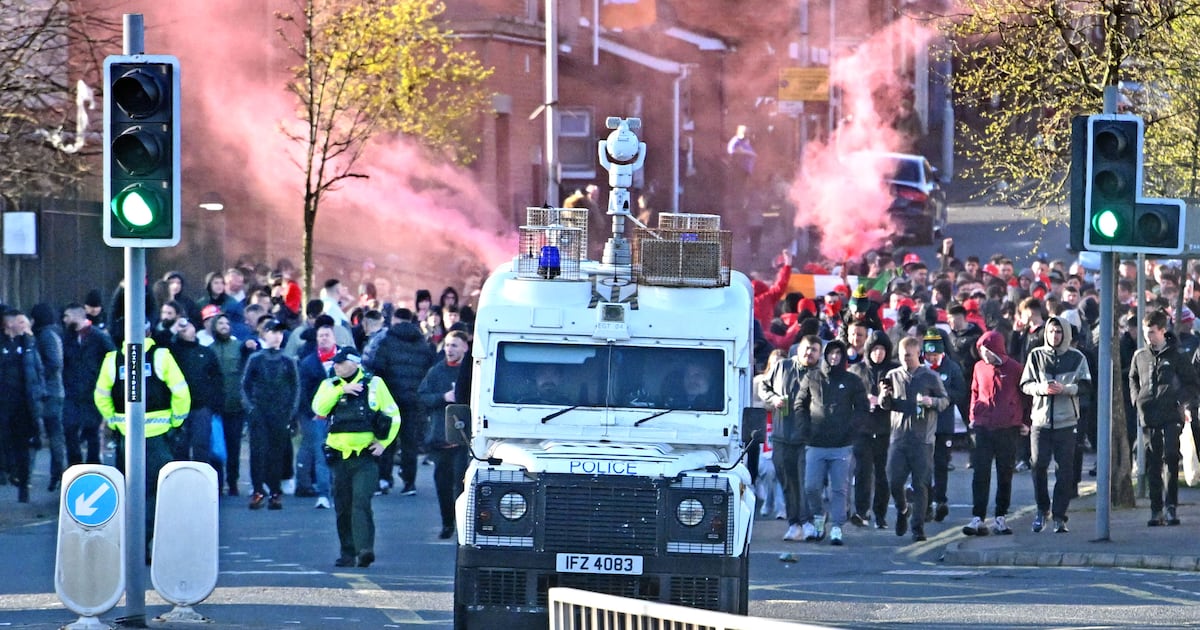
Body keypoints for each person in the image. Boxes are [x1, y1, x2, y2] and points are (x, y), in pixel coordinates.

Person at [93, 331, 190, 559]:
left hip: (127, 438)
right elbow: (181, 393)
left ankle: (132, 544)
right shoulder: (161, 356)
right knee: (158, 493)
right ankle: (153, 541)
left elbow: (101, 395)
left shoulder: (113, 359)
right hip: (159, 439)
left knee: (130, 492)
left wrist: (115, 422)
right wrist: (176, 421)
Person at [312, 347, 401, 568]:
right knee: (343, 506)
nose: (336, 366)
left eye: (341, 363)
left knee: (361, 501)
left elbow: (393, 415)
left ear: (355, 363)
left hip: (365, 457)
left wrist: (383, 443)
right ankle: (347, 552)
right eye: (335, 363)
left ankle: (364, 550)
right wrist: (341, 391)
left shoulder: (375, 384)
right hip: (339, 458)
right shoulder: (330, 385)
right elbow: (319, 407)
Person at [795, 339, 869, 546]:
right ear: (825, 355)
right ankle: (819, 517)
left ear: (843, 356)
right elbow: (800, 404)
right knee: (811, 486)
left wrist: (851, 431)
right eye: (831, 353)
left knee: (839, 489)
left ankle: (837, 526)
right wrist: (805, 429)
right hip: (815, 443)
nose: (834, 357)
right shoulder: (812, 377)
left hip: (841, 445)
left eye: (838, 353)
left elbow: (862, 408)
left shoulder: (852, 381)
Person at [1020, 315, 1090, 534]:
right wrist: (1042, 388)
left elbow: (1086, 386)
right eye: (1051, 331)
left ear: (1066, 334)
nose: (1054, 335)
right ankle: (1043, 510)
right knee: (1038, 465)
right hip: (1040, 421)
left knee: (1064, 470)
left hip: (1066, 421)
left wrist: (1065, 389)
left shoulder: (1077, 357)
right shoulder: (1036, 355)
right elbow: (1025, 384)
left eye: (1059, 332)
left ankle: (1060, 515)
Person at [1130, 309, 1198, 526]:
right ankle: (1155, 509)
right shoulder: (1140, 356)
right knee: (1153, 461)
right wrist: (1137, 399)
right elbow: (1133, 378)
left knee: (1170, 457)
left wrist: (1179, 401)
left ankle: (1171, 506)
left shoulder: (1177, 355)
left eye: (1151, 332)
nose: (1148, 337)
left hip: (1171, 414)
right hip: (1149, 414)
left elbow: (1192, 383)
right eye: (1145, 332)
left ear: (1162, 330)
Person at [879, 335, 949, 542]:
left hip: (922, 438)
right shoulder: (893, 375)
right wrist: (884, 396)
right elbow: (885, 406)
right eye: (902, 356)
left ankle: (917, 527)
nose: (905, 360)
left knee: (921, 484)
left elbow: (945, 400)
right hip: (899, 437)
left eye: (908, 356)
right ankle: (902, 509)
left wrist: (932, 401)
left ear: (918, 354)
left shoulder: (929, 376)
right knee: (893, 480)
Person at [363, 307, 435, 496]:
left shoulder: (386, 340)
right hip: (414, 399)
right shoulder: (422, 343)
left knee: (386, 438)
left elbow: (378, 366)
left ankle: (384, 479)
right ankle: (409, 483)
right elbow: (429, 369)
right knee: (409, 442)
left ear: (394, 320)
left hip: (390, 398)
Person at [756, 334, 821, 541]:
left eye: (814, 350)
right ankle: (794, 524)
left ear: (819, 354)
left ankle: (808, 521)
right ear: (798, 349)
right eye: (807, 348)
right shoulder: (782, 367)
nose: (809, 353)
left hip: (806, 439)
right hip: (781, 434)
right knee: (787, 482)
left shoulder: (820, 375)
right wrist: (773, 398)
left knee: (804, 483)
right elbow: (763, 387)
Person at [962, 330, 1025, 536]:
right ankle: (978, 517)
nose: (984, 355)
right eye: (981, 350)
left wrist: (1025, 421)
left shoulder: (1015, 368)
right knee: (981, 472)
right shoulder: (979, 367)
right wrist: (973, 415)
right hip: (982, 425)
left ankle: (1000, 516)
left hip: (1007, 427)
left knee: (1004, 472)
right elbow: (974, 391)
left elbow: (1025, 396)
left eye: (987, 350)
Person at [241, 318, 300, 510]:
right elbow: (245, 385)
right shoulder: (256, 359)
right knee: (258, 452)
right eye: (272, 332)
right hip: (259, 412)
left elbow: (295, 387)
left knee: (277, 453)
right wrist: (250, 408)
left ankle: (275, 492)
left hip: (280, 412)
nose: (276, 337)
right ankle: (258, 490)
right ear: (264, 334)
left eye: (280, 333)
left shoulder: (287, 360)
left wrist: (291, 412)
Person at [418, 330, 471, 539]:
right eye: (447, 345)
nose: (450, 349)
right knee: (442, 484)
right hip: (440, 437)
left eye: (455, 345)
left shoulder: (470, 372)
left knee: (461, 483)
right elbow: (423, 397)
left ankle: (463, 525)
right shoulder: (436, 371)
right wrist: (443, 397)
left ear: (465, 348)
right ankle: (447, 523)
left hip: (463, 439)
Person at [848, 330, 898, 529]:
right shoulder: (857, 370)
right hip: (862, 429)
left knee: (883, 473)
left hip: (886, 428)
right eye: (875, 349)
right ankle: (861, 511)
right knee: (862, 472)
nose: (878, 353)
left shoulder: (894, 371)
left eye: (882, 349)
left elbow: (902, 398)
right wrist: (863, 401)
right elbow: (848, 398)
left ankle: (880, 513)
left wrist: (886, 399)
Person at [61, 303, 115, 467]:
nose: (65, 320)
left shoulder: (97, 336)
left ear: (78, 316)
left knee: (92, 430)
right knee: (70, 429)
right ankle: (74, 466)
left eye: (67, 316)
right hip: (71, 391)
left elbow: (112, 356)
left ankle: (93, 466)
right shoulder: (67, 337)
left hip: (93, 390)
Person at [1, 310, 46, 503]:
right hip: (3, 405)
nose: (25, 326)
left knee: (24, 446)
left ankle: (23, 486)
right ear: (9, 324)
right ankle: (7, 473)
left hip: (24, 406)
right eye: (20, 322)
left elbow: (38, 371)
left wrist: (39, 395)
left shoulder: (28, 345)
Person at [923, 330, 966, 524]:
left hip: (943, 425)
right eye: (928, 355)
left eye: (935, 355)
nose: (931, 358)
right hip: (921, 425)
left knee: (940, 464)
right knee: (923, 465)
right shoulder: (920, 368)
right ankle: (924, 502)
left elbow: (960, 392)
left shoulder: (952, 367)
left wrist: (941, 395)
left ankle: (941, 500)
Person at [295, 319, 338, 508]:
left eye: (327, 335)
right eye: (320, 336)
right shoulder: (308, 363)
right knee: (321, 453)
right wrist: (310, 412)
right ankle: (323, 493)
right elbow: (302, 391)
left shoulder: (344, 359)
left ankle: (339, 489)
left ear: (334, 338)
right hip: (317, 416)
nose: (323, 339)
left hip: (340, 415)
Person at [166, 316, 221, 466]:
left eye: (188, 325)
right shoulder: (172, 352)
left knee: (201, 446)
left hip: (202, 407)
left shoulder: (206, 352)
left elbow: (217, 378)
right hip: (178, 408)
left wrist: (214, 404)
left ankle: (201, 479)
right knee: (179, 447)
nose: (186, 329)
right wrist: (173, 329)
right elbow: (160, 341)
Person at [29, 304, 67, 492]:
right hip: (54, 391)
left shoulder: (45, 336)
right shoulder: (53, 334)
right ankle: (57, 473)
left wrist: (39, 378)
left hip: (49, 393)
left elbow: (54, 363)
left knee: (50, 433)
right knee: (54, 434)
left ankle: (57, 473)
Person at [207, 312, 246, 495]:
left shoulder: (238, 347)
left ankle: (233, 482)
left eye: (226, 323)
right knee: (216, 447)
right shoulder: (209, 349)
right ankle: (217, 482)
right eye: (220, 323)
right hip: (215, 407)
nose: (224, 326)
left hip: (235, 406)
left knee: (233, 446)